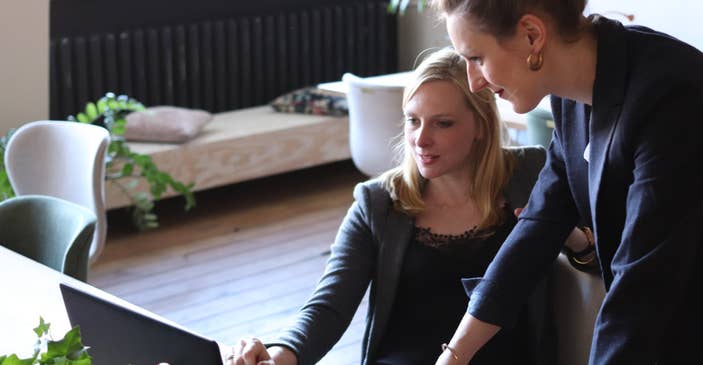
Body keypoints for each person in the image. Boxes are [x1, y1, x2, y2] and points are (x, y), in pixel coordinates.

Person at [226, 47, 595, 365]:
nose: (421, 139)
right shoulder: (378, 202)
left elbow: (600, 262)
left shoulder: (530, 172)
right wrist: (283, 351)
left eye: (443, 123)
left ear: (480, 125)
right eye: (413, 121)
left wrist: (571, 238)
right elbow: (329, 305)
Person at [430, 1, 703, 364]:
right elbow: (541, 222)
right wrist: (455, 354)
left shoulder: (672, 95)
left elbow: (642, 287)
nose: (473, 81)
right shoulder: (572, 93)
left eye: (476, 57)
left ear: (532, 36)